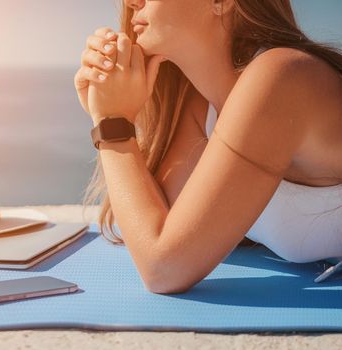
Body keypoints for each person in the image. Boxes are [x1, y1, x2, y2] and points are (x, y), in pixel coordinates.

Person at [74, 0, 342, 294]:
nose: (131, 2)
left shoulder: (281, 79)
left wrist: (113, 127)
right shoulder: (200, 106)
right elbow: (148, 228)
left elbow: (163, 267)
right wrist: (113, 107)